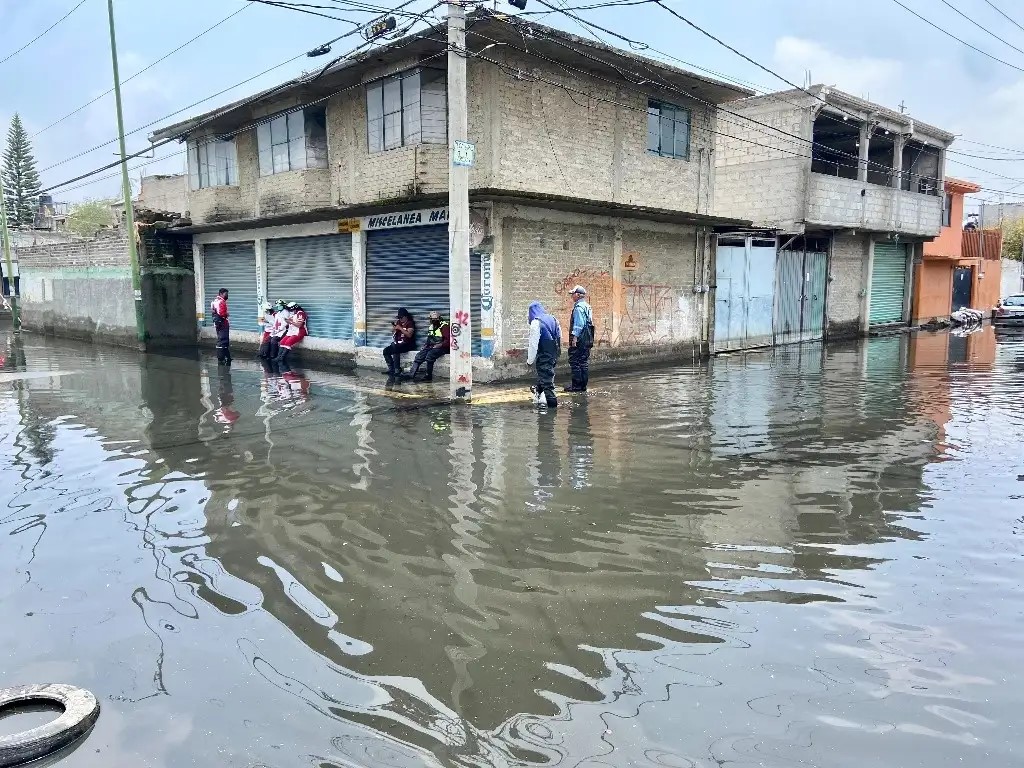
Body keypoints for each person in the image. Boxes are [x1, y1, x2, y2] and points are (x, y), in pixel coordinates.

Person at [527, 301, 561, 407]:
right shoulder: (553, 318)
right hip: (554, 353)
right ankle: (537, 390)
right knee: (546, 375)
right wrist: (557, 354)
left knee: (548, 383)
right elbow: (559, 336)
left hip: (544, 354)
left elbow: (533, 345)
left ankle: (552, 410)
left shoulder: (535, 323)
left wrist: (529, 361)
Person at [406, 311, 449, 382]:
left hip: (443, 348)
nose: (433, 321)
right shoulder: (431, 327)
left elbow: (448, 341)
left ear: (439, 319)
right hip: (433, 346)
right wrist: (425, 346)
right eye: (432, 319)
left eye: (435, 319)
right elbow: (429, 339)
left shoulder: (445, 326)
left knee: (430, 355)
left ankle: (428, 376)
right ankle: (411, 374)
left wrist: (440, 345)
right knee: (419, 355)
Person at [566, 285, 594, 392]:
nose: (572, 296)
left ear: (577, 295)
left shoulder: (578, 308)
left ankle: (576, 386)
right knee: (583, 361)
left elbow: (579, 324)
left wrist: (574, 338)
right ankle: (583, 386)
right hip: (587, 338)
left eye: (573, 294)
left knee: (575, 361)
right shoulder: (587, 306)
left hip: (580, 339)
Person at [383, 307, 416, 377]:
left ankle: (397, 369)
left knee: (395, 349)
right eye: (399, 318)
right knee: (385, 351)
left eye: (401, 317)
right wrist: (394, 328)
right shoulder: (398, 322)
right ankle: (391, 369)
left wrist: (400, 328)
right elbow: (393, 331)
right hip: (399, 343)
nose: (400, 319)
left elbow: (409, 335)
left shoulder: (410, 323)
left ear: (406, 316)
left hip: (408, 344)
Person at [275, 301, 307, 369]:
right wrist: (286, 320)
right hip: (291, 331)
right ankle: (278, 357)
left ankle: (281, 358)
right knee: (282, 342)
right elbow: (288, 321)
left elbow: (299, 325)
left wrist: (291, 322)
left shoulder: (301, 313)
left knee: (288, 343)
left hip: (299, 332)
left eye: (290, 309)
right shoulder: (293, 314)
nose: (290, 311)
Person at [210, 288, 231, 365]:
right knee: (223, 341)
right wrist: (227, 314)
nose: (227, 295)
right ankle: (222, 358)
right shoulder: (222, 302)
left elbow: (213, 312)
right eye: (226, 294)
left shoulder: (214, 301)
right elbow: (222, 314)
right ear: (221, 294)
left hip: (217, 323)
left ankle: (225, 357)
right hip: (223, 324)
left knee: (221, 340)